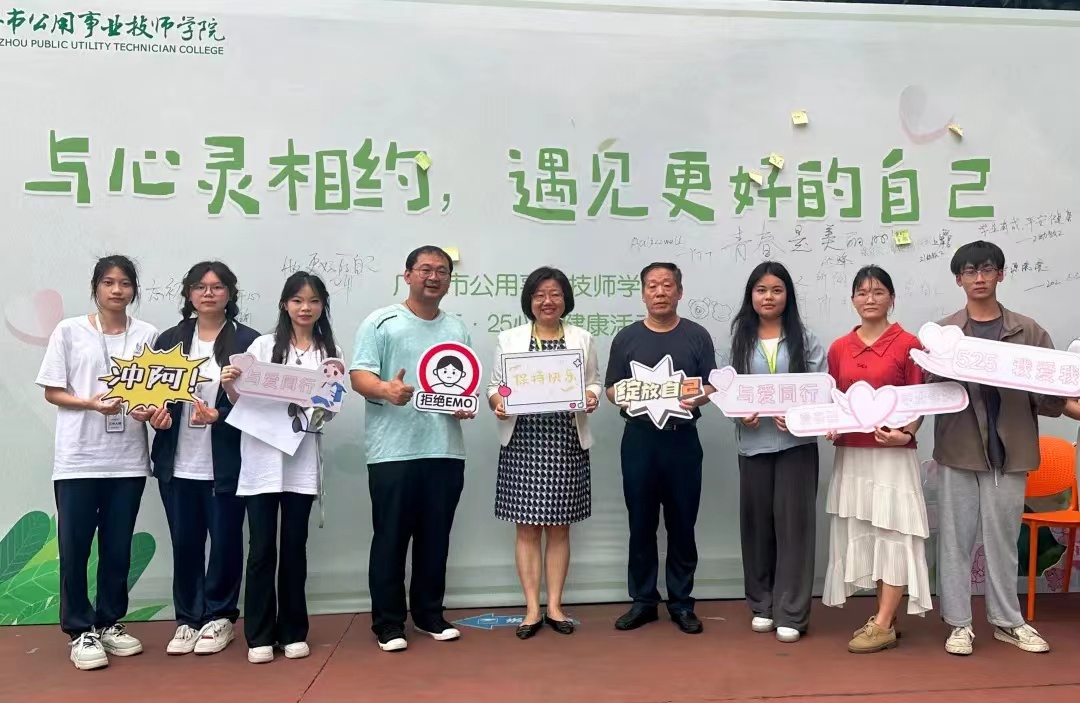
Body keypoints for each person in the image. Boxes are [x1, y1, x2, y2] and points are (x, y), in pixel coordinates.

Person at [931, 241, 1062, 656]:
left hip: (1010, 453)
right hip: (959, 451)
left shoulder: (1028, 331)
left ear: (1001, 274)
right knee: (955, 541)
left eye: (987, 269)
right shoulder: (945, 334)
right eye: (970, 271)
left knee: (1003, 541)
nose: (979, 278)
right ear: (958, 279)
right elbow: (929, 394)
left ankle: (1008, 621)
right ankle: (959, 624)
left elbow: (1052, 396)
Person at [35, 254, 159, 671]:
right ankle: (79, 629)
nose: (117, 290)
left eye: (125, 283)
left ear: (133, 290)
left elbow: (150, 396)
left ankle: (109, 622)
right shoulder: (70, 331)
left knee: (117, 547)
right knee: (75, 547)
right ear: (96, 287)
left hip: (128, 461)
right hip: (79, 459)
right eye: (109, 282)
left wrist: (145, 410)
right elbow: (52, 391)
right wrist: (90, 403)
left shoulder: (147, 335)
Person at [350, 245, 476, 652]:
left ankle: (429, 614)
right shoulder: (382, 321)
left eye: (441, 271)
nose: (433, 277)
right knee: (390, 538)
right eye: (425, 269)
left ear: (449, 280)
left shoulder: (456, 328)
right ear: (407, 275)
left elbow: (464, 384)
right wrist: (385, 389)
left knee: (435, 538)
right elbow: (359, 375)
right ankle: (388, 623)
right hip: (393, 451)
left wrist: (464, 405)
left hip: (445, 449)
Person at [226, 271, 341, 664]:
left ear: (322, 306)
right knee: (261, 549)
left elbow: (330, 410)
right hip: (261, 461)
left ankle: (293, 631)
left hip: (301, 461)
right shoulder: (262, 345)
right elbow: (241, 399)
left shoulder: (329, 353)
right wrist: (230, 383)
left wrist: (320, 407)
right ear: (284, 304)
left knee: (294, 548)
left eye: (313, 301)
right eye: (297, 300)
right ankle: (259, 635)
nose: (305, 308)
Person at [147, 261, 260, 656]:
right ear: (189, 294)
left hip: (226, 463)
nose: (208, 293)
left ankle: (220, 616)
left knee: (226, 541)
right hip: (177, 462)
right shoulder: (169, 340)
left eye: (217, 287)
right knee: (185, 543)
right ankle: (188, 619)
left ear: (230, 293)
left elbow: (261, 405)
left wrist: (221, 416)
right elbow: (155, 395)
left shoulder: (249, 342)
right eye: (199, 287)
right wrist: (156, 416)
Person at [820, 266, 931, 654]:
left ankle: (882, 624)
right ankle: (887, 616)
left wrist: (907, 434)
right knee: (867, 530)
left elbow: (919, 401)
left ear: (892, 298)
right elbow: (834, 400)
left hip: (892, 456)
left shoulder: (909, 344)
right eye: (863, 292)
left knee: (895, 532)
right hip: (853, 455)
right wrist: (831, 425)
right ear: (853, 299)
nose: (870, 299)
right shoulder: (839, 348)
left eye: (879, 292)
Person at [486, 266, 601, 639]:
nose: (547, 301)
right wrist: (498, 403)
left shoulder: (582, 338)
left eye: (554, 294)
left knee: (560, 529)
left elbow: (594, 382)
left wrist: (591, 396)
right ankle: (532, 609)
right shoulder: (510, 339)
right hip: (523, 442)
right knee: (527, 529)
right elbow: (496, 387)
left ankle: (554, 606)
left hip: (565, 442)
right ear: (529, 301)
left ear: (565, 299)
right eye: (539, 295)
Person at [604, 262, 716, 635]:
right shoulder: (626, 338)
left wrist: (697, 397)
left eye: (667, 285)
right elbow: (611, 388)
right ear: (643, 293)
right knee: (641, 523)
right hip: (639, 440)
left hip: (682, 439)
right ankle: (643, 601)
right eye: (652, 286)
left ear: (679, 292)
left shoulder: (697, 335)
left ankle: (682, 603)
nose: (660, 292)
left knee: (683, 523)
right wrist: (623, 396)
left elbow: (712, 384)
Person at [729, 262, 826, 644]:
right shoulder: (740, 339)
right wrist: (740, 415)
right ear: (751, 296)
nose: (768, 297)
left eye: (776, 290)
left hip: (796, 447)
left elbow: (822, 391)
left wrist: (803, 416)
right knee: (756, 527)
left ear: (788, 296)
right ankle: (762, 605)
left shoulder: (806, 339)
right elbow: (728, 391)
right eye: (761, 290)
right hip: (753, 446)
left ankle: (792, 612)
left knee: (795, 529)